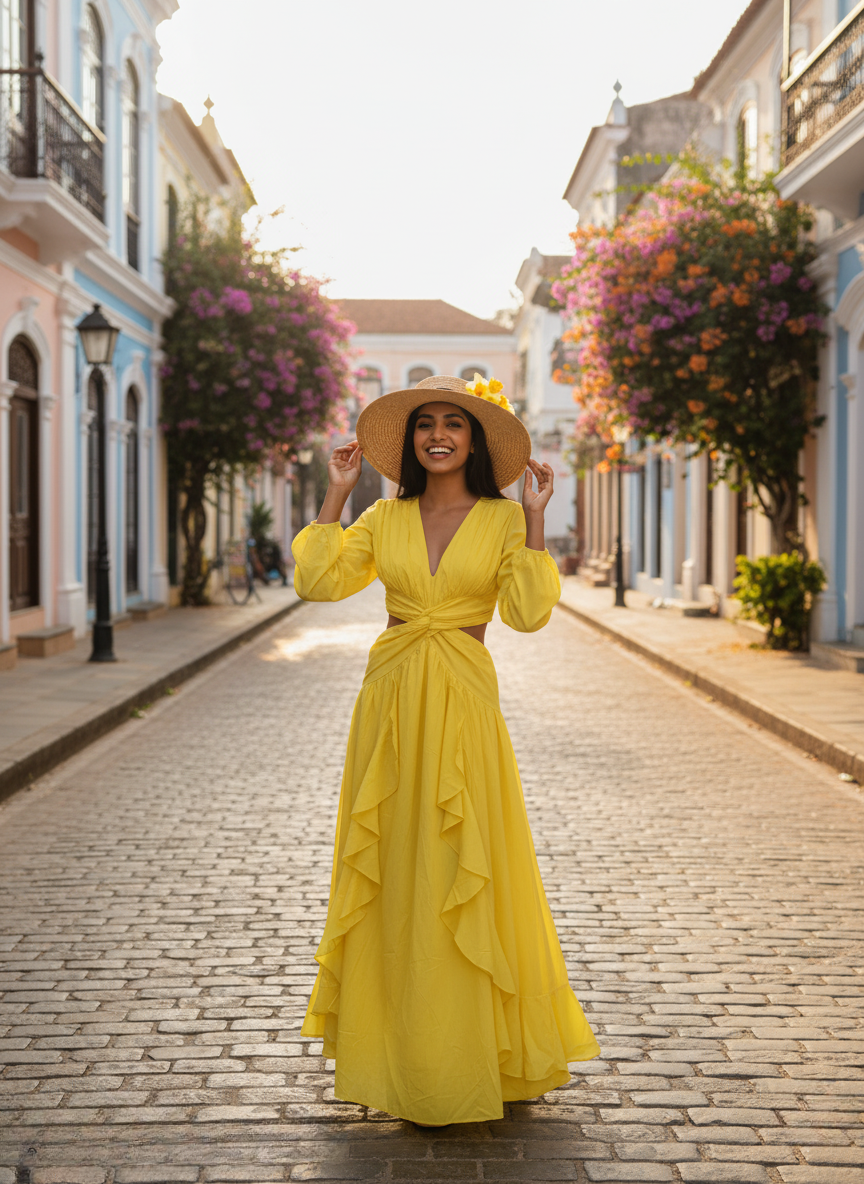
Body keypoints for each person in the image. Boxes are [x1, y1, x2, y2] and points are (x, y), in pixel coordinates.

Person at [292, 374, 600, 1126]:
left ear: (473, 441)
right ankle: (400, 1050)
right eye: (425, 423)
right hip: (391, 699)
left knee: (465, 862)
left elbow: (527, 613)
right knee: (397, 870)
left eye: (452, 425)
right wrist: (336, 492)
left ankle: (476, 1053)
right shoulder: (381, 514)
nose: (437, 434)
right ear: (409, 439)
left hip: (463, 696)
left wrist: (534, 521)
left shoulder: (499, 519)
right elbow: (318, 580)